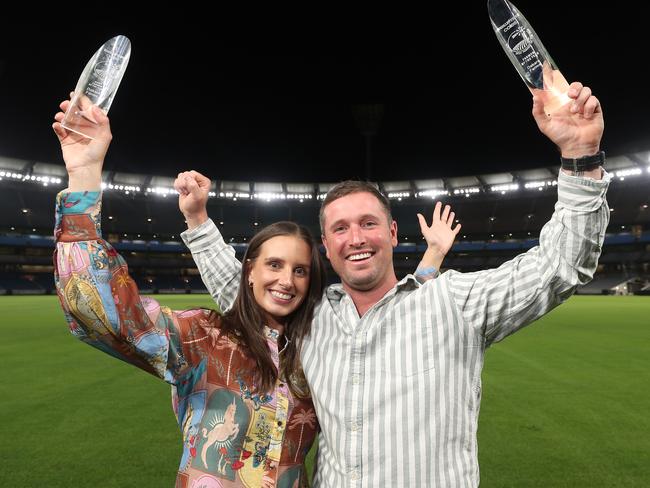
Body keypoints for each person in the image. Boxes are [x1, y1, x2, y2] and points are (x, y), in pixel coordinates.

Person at [179, 81, 611, 487]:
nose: (356, 238)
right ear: (327, 248)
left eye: (369, 224)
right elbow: (242, 289)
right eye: (341, 229)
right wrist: (198, 220)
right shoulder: (310, 317)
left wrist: (580, 156)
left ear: (392, 234)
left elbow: (560, 266)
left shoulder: (454, 303)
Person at [51, 99, 460, 487]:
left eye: (300, 270)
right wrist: (84, 175)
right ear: (249, 273)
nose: (286, 280)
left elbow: (389, 316)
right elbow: (101, 312)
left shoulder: (320, 349)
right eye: (274, 265)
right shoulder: (202, 337)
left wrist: (432, 258)